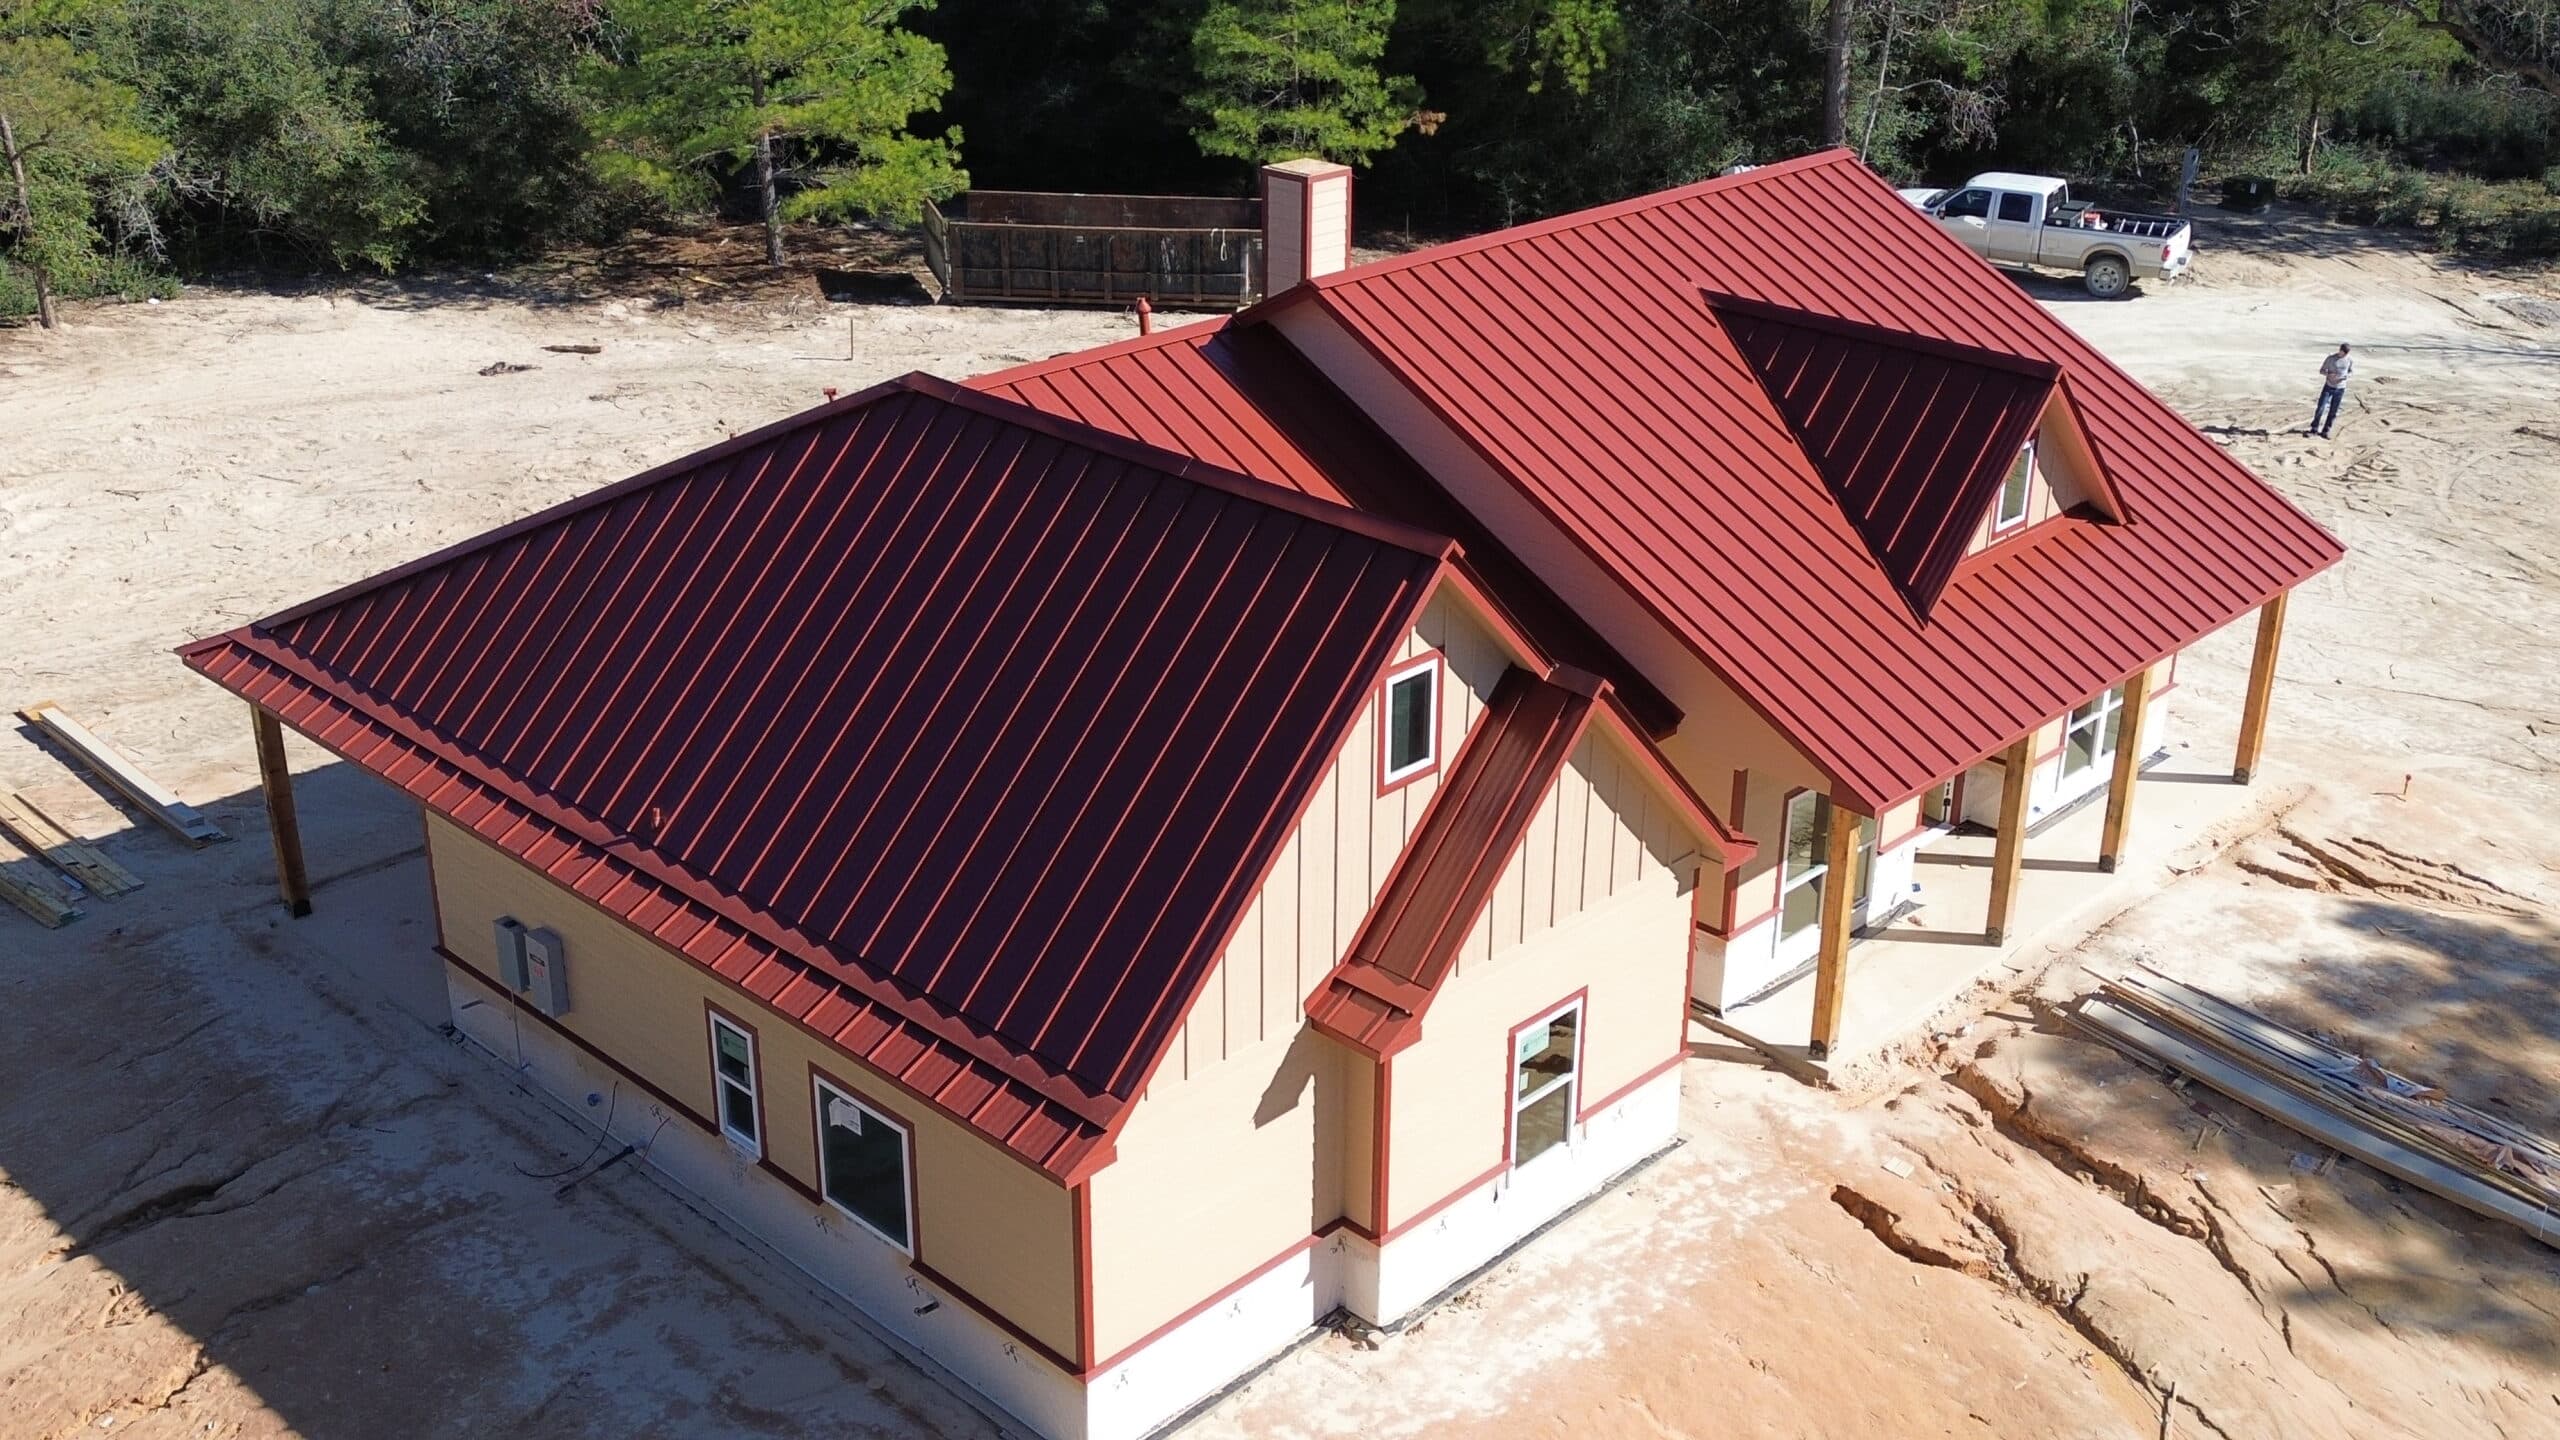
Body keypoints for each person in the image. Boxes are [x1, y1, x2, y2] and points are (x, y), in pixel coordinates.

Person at [2311, 343, 2353, 437]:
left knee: (2333, 411)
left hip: (2340, 388)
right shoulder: (2331, 359)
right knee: (2321, 408)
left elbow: (2350, 371)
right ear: (2340, 350)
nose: (2345, 355)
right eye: (2343, 353)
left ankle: (2326, 430)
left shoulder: (2349, 360)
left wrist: (2345, 377)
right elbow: (2321, 370)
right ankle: (2314, 429)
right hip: (2329, 386)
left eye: (2347, 354)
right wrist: (2328, 375)